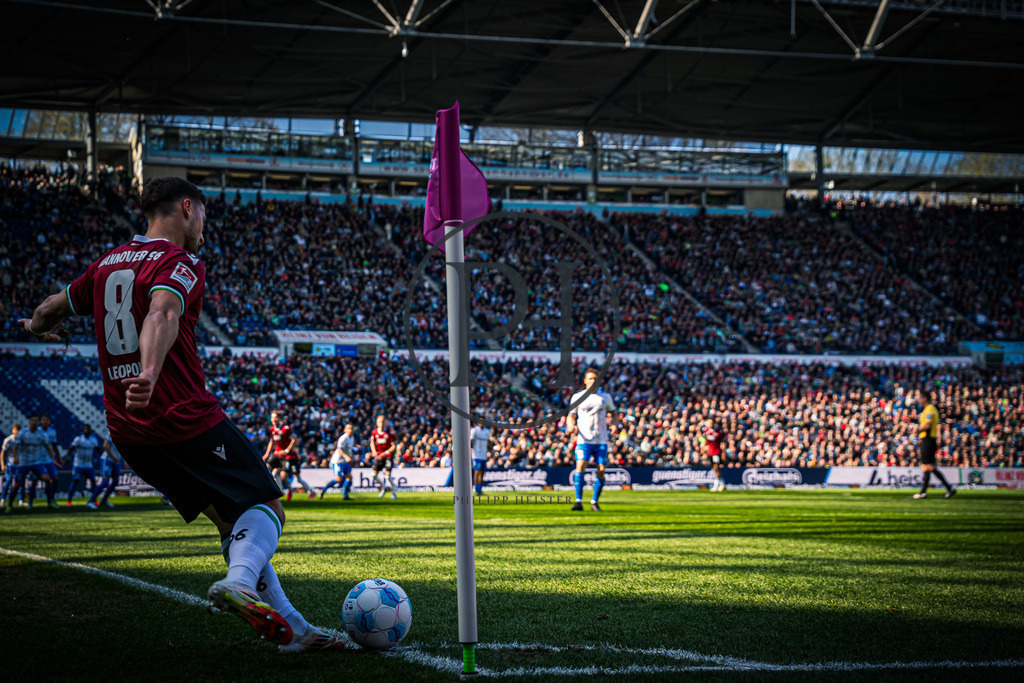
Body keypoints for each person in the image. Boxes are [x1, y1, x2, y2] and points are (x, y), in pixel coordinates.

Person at [19, 177, 341, 652]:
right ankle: (242, 586)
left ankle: (291, 629)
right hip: (182, 417)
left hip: (129, 432)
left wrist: (36, 326)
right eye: (204, 217)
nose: (204, 229)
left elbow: (50, 308)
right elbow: (162, 314)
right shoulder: (181, 261)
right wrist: (149, 372)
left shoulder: (105, 265)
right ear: (187, 208)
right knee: (267, 509)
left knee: (232, 524)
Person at [567, 368, 618, 512]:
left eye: (595, 378)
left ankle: (594, 501)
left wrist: (614, 425)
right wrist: (570, 425)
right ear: (585, 380)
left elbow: (614, 413)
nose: (592, 381)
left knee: (601, 469)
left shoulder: (605, 397)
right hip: (584, 440)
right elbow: (571, 415)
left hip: (601, 440)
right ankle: (578, 501)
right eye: (590, 378)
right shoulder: (577, 397)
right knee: (581, 465)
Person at [5, 414, 58, 511]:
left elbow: (48, 447)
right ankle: (9, 504)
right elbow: (15, 447)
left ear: (38, 423)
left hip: (37, 463)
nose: (34, 423)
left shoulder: (42, 434)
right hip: (24, 463)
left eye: (36, 421)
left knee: (47, 479)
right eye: (32, 421)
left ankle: (50, 501)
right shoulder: (23, 433)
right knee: (17, 484)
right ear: (29, 422)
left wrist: (52, 458)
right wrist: (16, 457)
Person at [912, 389, 956, 500]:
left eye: (920, 398)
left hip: (928, 439)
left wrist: (917, 429)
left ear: (925, 398)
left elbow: (927, 425)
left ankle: (949, 488)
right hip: (927, 439)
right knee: (926, 467)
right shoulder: (928, 409)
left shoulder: (929, 409)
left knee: (929, 467)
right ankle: (923, 492)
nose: (919, 400)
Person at [262, 410, 296, 501]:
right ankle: (279, 491)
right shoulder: (272, 429)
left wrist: (287, 450)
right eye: (272, 417)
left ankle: (290, 490)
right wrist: (266, 454)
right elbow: (271, 442)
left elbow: (294, 439)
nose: (274, 419)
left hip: (286, 456)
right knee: (267, 467)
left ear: (279, 418)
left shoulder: (286, 428)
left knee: (283, 477)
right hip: (277, 453)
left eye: (276, 417)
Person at [66, 424, 101, 506]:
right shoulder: (78, 439)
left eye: (88, 429)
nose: (87, 430)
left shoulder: (93, 440)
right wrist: (67, 458)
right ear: (82, 430)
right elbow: (70, 448)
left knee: (93, 481)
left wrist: (104, 457)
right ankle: (69, 501)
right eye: (85, 429)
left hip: (89, 465)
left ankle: (94, 499)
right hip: (78, 465)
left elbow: (98, 450)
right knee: (75, 481)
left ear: (90, 430)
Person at [87, 431, 123, 509]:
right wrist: (113, 458)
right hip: (107, 460)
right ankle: (91, 501)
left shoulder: (125, 433)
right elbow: (105, 446)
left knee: (115, 481)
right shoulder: (112, 431)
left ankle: (104, 500)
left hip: (115, 461)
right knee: (105, 481)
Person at [321, 423, 355, 500]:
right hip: (338, 461)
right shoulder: (343, 438)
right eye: (349, 428)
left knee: (349, 477)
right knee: (338, 479)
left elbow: (348, 449)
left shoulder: (352, 437)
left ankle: (345, 495)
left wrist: (350, 457)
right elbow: (339, 450)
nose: (350, 430)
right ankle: (323, 490)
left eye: (352, 428)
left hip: (345, 461)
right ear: (345, 430)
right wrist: (346, 457)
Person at [370, 415, 397, 499]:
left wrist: (386, 453)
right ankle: (384, 487)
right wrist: (374, 451)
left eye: (382, 422)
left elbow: (394, 446)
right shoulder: (374, 432)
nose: (381, 423)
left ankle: (394, 492)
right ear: (377, 423)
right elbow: (372, 442)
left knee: (387, 476)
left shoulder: (390, 433)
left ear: (385, 423)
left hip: (388, 456)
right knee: (374, 475)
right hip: (379, 456)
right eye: (379, 422)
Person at [40, 414, 62, 507]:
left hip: (49, 459)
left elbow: (54, 446)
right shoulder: (37, 431)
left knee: (55, 478)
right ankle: (30, 503)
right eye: (43, 419)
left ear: (49, 421)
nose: (45, 421)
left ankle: (51, 499)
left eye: (47, 420)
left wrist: (59, 458)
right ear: (41, 421)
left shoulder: (52, 432)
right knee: (33, 482)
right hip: (37, 460)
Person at [0, 423, 19, 513]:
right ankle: (3, 499)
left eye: (18, 430)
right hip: (10, 464)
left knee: (20, 482)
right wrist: (2, 464)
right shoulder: (8, 440)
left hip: (19, 465)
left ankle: (21, 501)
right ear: (12, 430)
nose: (17, 431)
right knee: (9, 480)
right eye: (15, 429)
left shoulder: (21, 440)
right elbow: (2, 453)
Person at [704, 419, 725, 492]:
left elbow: (723, 442)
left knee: (716, 468)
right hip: (710, 452)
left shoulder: (718, 432)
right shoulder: (706, 430)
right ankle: (722, 484)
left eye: (711, 423)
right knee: (714, 469)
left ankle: (716, 486)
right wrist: (703, 448)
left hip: (716, 452)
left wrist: (723, 452)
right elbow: (705, 440)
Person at [470, 423, 491, 495]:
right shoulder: (475, 430)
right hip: (476, 455)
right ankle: (476, 489)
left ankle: (480, 489)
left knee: (482, 473)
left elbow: (488, 441)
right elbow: (471, 440)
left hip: (484, 455)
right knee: (477, 472)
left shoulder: (487, 431)